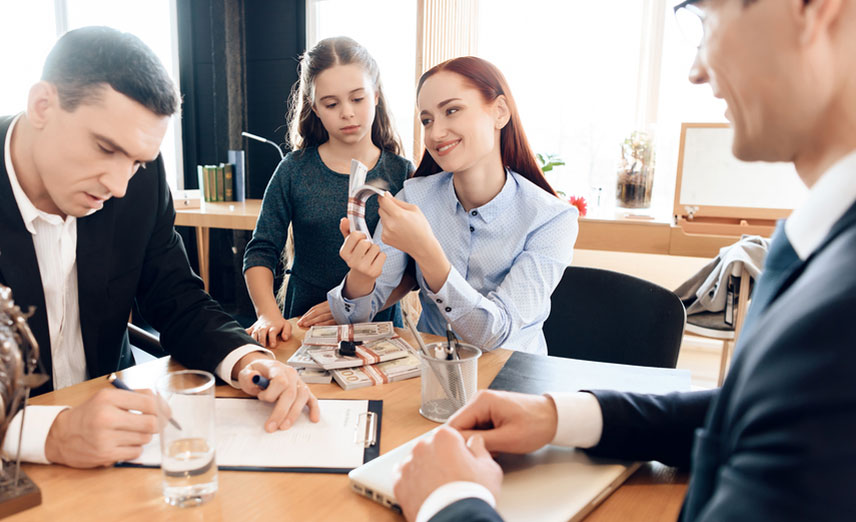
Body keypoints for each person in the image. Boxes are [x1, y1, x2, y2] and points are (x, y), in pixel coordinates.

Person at [394, 0, 856, 520]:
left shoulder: (842, 303)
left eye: (709, 17)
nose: (697, 70)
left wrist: (451, 500)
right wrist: (563, 416)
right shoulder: (817, 239)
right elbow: (749, 411)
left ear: (813, 9)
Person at [0, 26, 319, 469]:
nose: (118, 186)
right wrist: (49, 432)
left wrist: (249, 361)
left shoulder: (138, 183)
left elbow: (179, 300)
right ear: (42, 105)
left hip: (117, 457)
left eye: (137, 162)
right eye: (104, 147)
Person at [327, 56, 578, 353]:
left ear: (499, 112)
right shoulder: (413, 197)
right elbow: (353, 318)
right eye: (427, 120)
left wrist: (427, 252)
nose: (435, 133)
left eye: (452, 110)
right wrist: (362, 276)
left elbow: (494, 336)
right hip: (432, 376)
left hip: (512, 381)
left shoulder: (552, 219)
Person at [242, 36, 413, 348]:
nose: (347, 113)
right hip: (304, 322)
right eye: (332, 104)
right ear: (315, 108)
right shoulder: (294, 170)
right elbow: (261, 249)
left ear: (375, 96)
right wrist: (266, 314)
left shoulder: (402, 173)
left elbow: (412, 271)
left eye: (357, 99)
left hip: (379, 326)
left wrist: (350, 307)